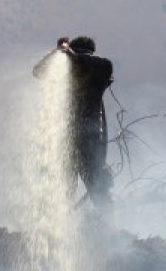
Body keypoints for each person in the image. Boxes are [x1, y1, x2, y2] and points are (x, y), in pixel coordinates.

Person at [33, 36, 114, 206]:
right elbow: (38, 72)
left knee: (69, 190)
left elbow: (85, 64)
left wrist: (66, 52)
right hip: (88, 140)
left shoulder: (98, 65)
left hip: (71, 139)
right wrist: (58, 53)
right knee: (95, 190)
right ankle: (107, 228)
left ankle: (64, 227)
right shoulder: (91, 67)